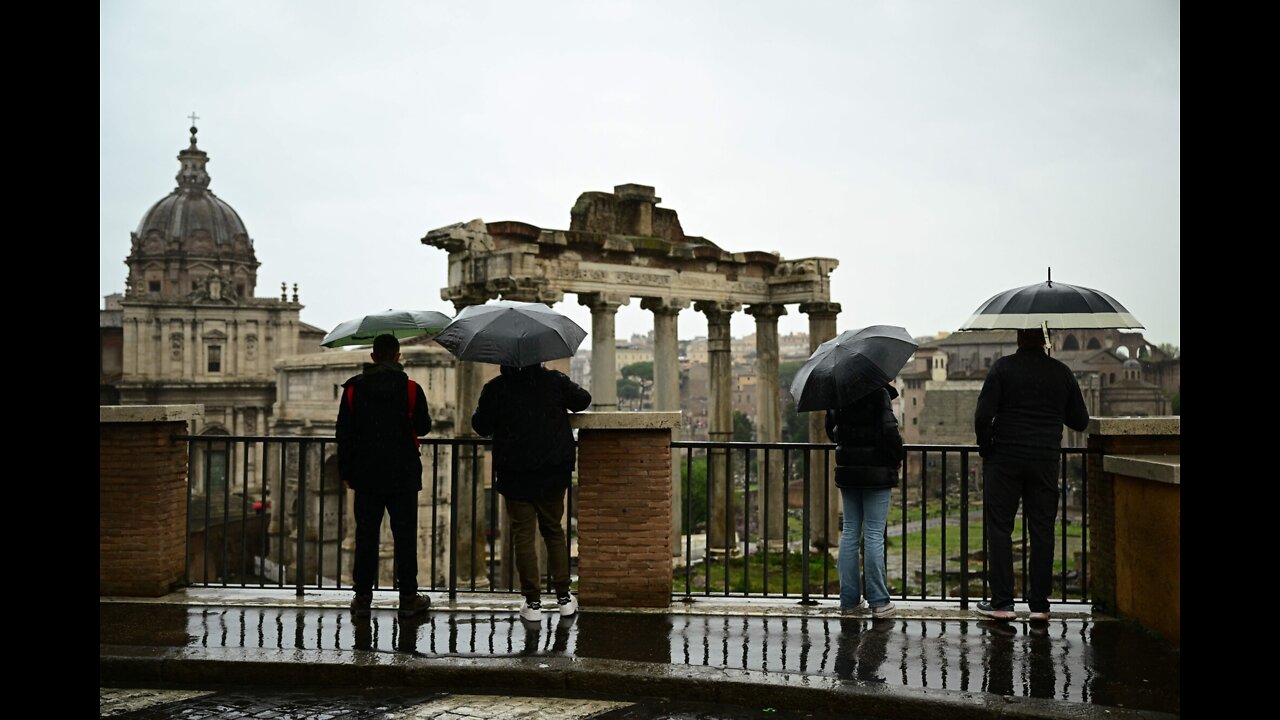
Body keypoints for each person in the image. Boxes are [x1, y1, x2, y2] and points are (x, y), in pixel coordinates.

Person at [973, 327, 1090, 622]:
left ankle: (1002, 603)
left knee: (1000, 528)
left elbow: (982, 416)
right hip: (1045, 459)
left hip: (1005, 459)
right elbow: (1080, 420)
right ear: (1045, 341)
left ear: (1018, 339)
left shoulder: (1002, 368)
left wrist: (987, 447)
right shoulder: (1061, 372)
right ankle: (1039, 605)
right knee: (1042, 530)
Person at [472, 363, 591, 622]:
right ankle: (563, 598)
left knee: (523, 536)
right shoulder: (553, 382)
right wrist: (552, 376)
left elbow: (480, 425)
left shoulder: (497, 387)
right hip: (552, 469)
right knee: (553, 531)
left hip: (515, 471)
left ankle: (533, 602)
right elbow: (583, 400)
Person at [336, 333, 433, 620]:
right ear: (398, 356)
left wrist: (346, 473)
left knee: (365, 536)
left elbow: (344, 435)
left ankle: (363, 597)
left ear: (373, 357)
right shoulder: (412, 389)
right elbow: (424, 426)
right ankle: (407, 598)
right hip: (402, 474)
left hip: (366, 475)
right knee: (405, 537)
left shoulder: (353, 390)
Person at [825, 383, 904, 619]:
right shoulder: (878, 393)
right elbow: (890, 431)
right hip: (877, 472)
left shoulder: (839, 392)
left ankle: (848, 601)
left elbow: (831, 431)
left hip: (848, 471)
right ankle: (879, 602)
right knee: (873, 534)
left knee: (849, 532)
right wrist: (896, 457)